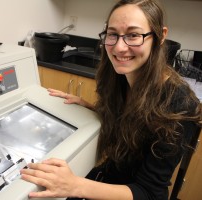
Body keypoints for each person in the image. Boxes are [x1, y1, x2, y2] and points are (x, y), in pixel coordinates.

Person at [20, 0, 202, 199]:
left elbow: (149, 192)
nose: (119, 48)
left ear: (160, 36)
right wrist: (92, 108)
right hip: (108, 177)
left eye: (133, 35)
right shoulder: (119, 76)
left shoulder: (179, 105)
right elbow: (131, 124)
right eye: (113, 34)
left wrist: (75, 185)